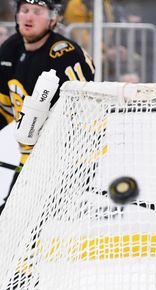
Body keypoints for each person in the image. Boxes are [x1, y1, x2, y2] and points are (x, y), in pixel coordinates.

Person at [0, 0, 95, 213]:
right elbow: (4, 108)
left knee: (33, 222)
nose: (28, 17)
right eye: (24, 10)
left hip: (73, 156)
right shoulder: (10, 50)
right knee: (11, 219)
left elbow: (82, 112)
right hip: (33, 157)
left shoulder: (65, 54)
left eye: (37, 11)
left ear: (53, 19)